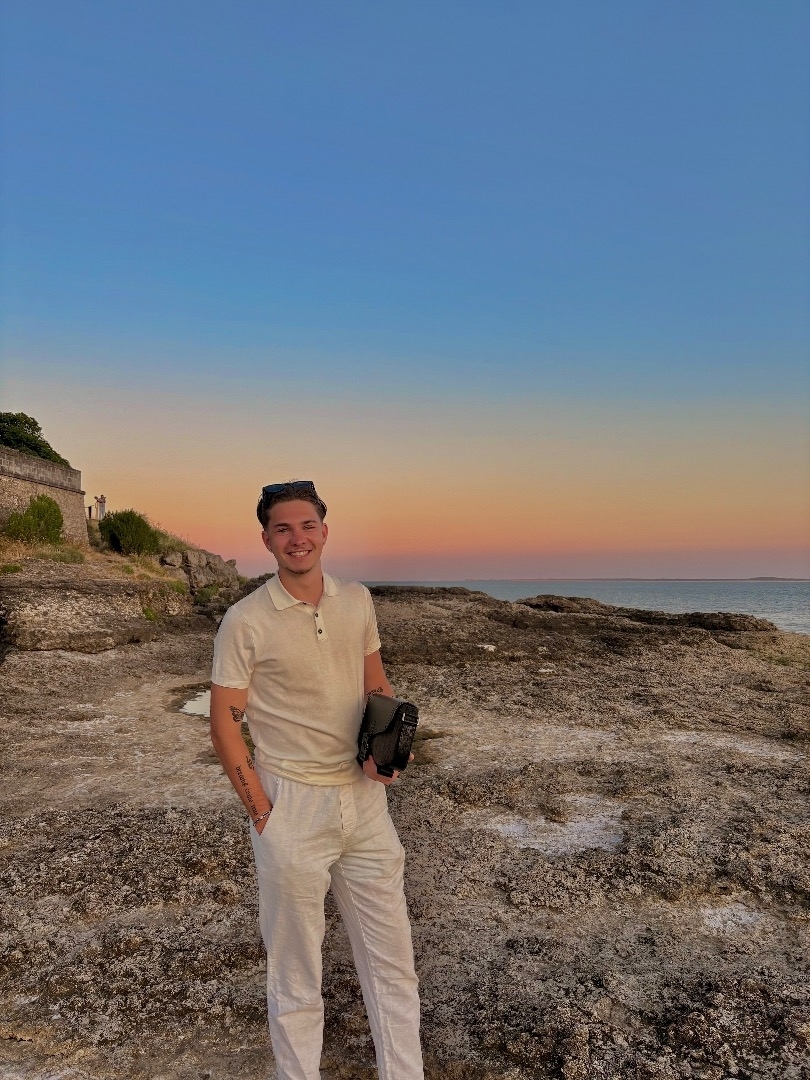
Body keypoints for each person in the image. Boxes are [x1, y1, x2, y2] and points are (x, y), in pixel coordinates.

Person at [210, 480, 423, 1080]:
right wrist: (263, 813)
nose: (297, 538)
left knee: (393, 964)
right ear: (266, 540)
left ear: (324, 532)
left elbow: (375, 685)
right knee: (296, 974)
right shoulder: (245, 620)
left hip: (365, 804)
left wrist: (384, 750)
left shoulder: (356, 600)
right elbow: (225, 726)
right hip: (292, 804)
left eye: (307, 526)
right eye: (283, 529)